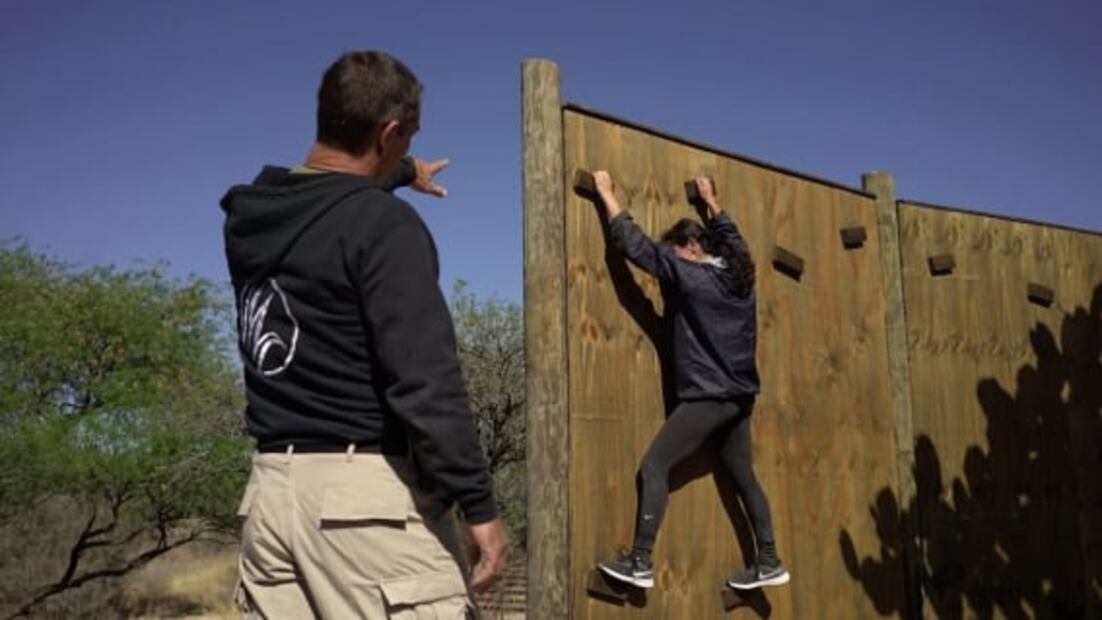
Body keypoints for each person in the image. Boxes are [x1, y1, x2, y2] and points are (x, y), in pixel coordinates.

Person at [221, 50, 508, 618]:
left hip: (271, 500)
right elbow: (426, 380)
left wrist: (402, 172)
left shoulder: (251, 220)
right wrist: (478, 505)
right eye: (407, 140)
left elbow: (323, 194)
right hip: (363, 509)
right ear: (390, 131)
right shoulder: (385, 226)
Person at [591, 170, 789, 591]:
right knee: (742, 472)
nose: (672, 258)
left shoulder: (689, 275)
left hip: (709, 396)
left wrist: (607, 194)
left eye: (676, 251)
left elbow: (636, 247)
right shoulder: (740, 276)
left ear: (692, 249)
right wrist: (711, 201)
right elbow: (733, 238)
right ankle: (769, 560)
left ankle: (641, 561)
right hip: (739, 396)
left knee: (654, 466)